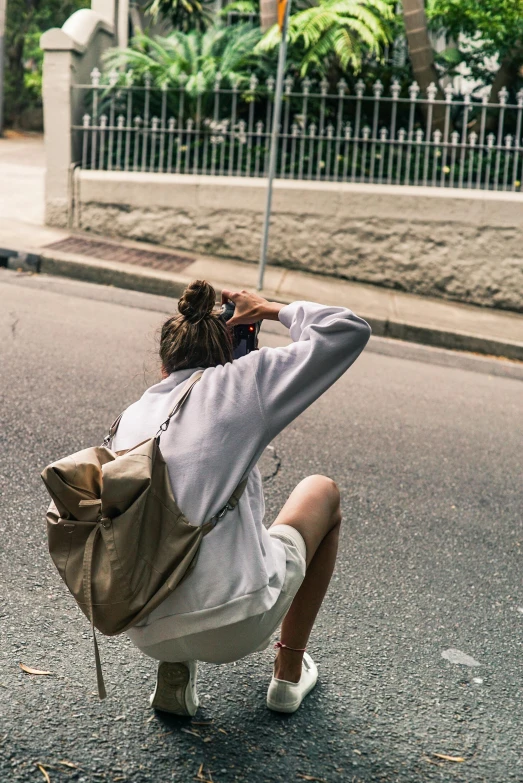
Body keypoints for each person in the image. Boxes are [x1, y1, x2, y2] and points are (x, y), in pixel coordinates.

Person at [112, 280, 371, 715]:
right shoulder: (240, 382)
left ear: (163, 365)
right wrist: (268, 309)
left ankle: (174, 674)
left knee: (173, 516)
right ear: (229, 354)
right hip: (237, 624)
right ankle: (288, 675)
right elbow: (346, 330)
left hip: (144, 625)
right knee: (321, 491)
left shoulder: (132, 416)